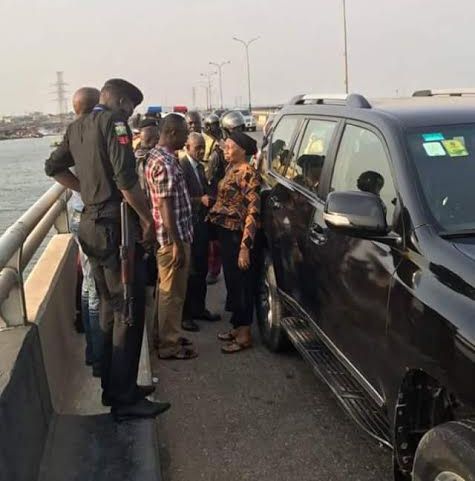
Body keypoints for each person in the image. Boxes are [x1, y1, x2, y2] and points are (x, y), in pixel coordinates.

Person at [45, 78, 170, 420]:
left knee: (109, 309)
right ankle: (124, 399)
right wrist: (148, 219)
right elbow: (126, 180)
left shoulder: (76, 126)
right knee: (128, 309)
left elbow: (53, 167)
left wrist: (85, 190)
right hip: (116, 228)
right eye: (130, 106)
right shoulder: (113, 123)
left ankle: (114, 386)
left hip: (90, 225)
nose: (130, 113)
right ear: (120, 101)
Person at [145, 114, 198, 360]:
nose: (187, 138)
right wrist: (176, 243)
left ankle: (166, 334)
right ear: (173, 133)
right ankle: (169, 345)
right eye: (185, 133)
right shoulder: (164, 163)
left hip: (170, 237)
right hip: (171, 240)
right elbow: (165, 206)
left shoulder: (158, 157)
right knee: (172, 293)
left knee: (166, 290)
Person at [208, 131, 260, 354]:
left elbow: (253, 211)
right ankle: (237, 327)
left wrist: (245, 248)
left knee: (242, 285)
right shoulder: (231, 168)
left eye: (230, 147)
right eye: (225, 146)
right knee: (232, 283)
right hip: (226, 235)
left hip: (238, 237)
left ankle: (244, 334)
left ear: (243, 150)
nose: (225, 150)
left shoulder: (248, 172)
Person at [67, 87, 103, 378]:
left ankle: (93, 351)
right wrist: (89, 192)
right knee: (96, 290)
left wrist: (81, 190)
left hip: (77, 211)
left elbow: (54, 168)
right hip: (89, 214)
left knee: (88, 286)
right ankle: (99, 357)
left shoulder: (71, 133)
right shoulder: (87, 133)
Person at [180, 132, 220, 332]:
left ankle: (199, 308)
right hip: (189, 225)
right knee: (191, 272)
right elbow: (180, 198)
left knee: (202, 269)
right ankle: (186, 315)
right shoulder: (182, 167)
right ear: (187, 147)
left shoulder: (200, 167)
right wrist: (200, 200)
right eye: (197, 148)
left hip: (202, 226)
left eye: (203, 147)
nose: (202, 151)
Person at [134, 119, 160, 346]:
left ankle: (150, 336)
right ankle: (152, 336)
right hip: (149, 226)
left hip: (141, 226)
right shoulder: (151, 161)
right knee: (151, 282)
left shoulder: (130, 160)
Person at [202, 114, 226, 285]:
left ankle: (215, 268)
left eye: (217, 124)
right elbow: (208, 174)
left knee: (216, 237)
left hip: (220, 193)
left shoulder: (221, 144)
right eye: (213, 125)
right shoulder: (206, 143)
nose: (215, 128)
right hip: (208, 191)